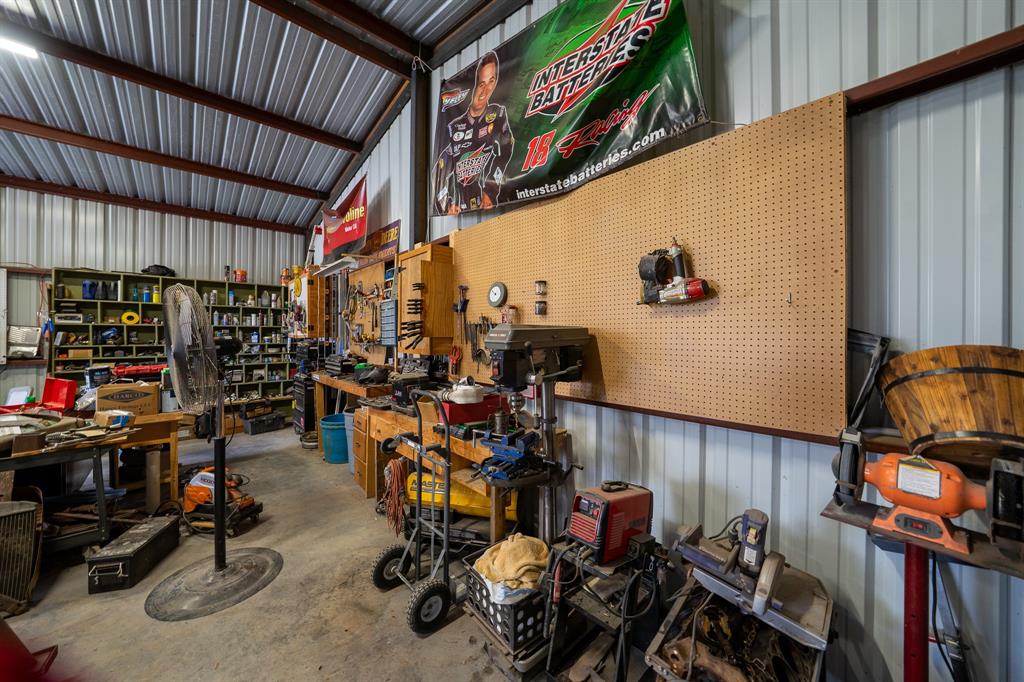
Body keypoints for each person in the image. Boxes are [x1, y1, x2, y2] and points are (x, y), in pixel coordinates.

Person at [433, 51, 515, 215]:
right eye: (481, 84)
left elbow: (507, 149)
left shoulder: (497, 114)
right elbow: (440, 168)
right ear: (474, 85)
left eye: (491, 81)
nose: (485, 90)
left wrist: (491, 190)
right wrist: (447, 203)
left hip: (493, 207)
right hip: (463, 210)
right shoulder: (454, 126)